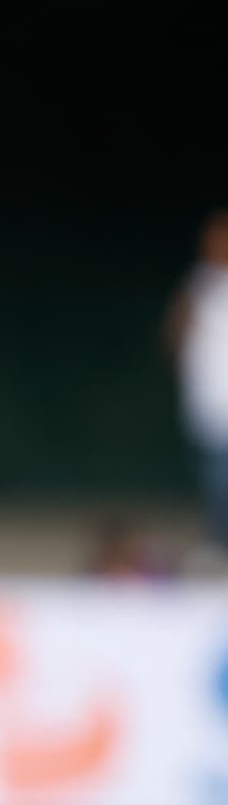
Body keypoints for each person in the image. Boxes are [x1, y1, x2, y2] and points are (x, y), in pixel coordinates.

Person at [169, 211, 228, 554]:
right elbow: (177, 329)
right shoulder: (199, 282)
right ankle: (218, 535)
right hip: (208, 393)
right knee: (214, 469)